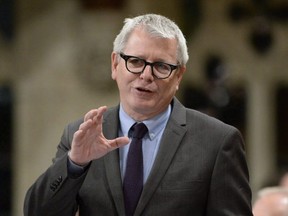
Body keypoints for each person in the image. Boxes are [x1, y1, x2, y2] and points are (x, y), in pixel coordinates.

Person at [24, 14, 252, 216]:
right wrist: (74, 164)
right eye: (135, 61)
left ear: (179, 76)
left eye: (161, 66)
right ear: (115, 64)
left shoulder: (217, 142)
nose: (146, 75)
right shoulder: (80, 135)